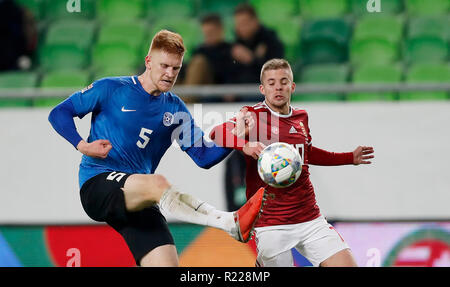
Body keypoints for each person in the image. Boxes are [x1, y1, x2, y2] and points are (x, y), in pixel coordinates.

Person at [48, 30, 266, 267]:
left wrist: (236, 137)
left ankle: (231, 224)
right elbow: (59, 113)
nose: (169, 74)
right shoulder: (111, 89)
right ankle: (229, 223)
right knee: (158, 184)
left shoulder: (175, 109)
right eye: (164, 66)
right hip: (97, 183)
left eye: (176, 69)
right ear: (148, 62)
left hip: (140, 197)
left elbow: (204, 157)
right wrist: (82, 145)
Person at [210, 58, 375, 267]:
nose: (277, 87)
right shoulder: (252, 116)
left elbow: (306, 154)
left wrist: (349, 157)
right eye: (271, 83)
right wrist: (244, 145)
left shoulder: (301, 117)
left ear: (292, 86)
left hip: (309, 218)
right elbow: (216, 133)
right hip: (271, 223)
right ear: (262, 88)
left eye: (283, 81)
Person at [231, 3, 284, 84]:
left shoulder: (271, 41)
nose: (241, 28)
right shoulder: (235, 45)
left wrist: (252, 60)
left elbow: (274, 74)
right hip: (240, 91)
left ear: (256, 21)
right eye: (238, 24)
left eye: (244, 23)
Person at [184, 13, 236, 85]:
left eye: (211, 33)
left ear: (221, 30)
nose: (207, 36)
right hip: (197, 86)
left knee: (199, 62)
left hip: (215, 86)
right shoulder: (199, 50)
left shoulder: (231, 50)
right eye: (205, 33)